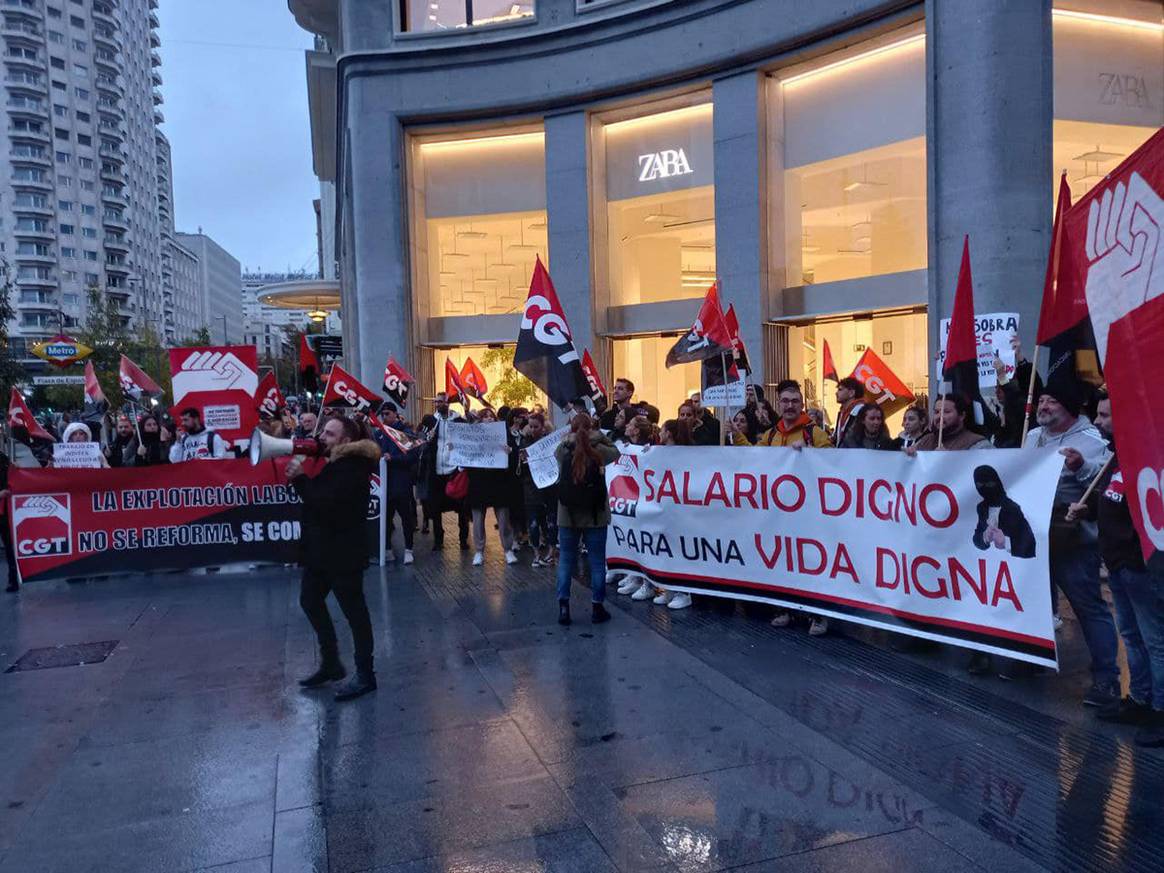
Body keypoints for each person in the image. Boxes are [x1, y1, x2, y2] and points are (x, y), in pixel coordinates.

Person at [1067, 393, 1164, 745]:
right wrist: (1087, 508)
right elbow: (1110, 499)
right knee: (1133, 636)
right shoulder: (1116, 459)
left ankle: (1160, 711)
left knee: (1156, 640)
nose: (1097, 421)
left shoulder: (1145, 460)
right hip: (1119, 564)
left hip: (1141, 568)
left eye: (1105, 415)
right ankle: (1140, 699)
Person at [1025, 385, 1118, 707]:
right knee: (1034, 602)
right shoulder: (1031, 435)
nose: (1044, 405)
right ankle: (1032, 657)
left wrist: (1081, 466)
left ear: (1070, 408)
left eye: (1052, 400)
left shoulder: (1091, 441)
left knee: (1088, 606)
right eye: (1041, 400)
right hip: (1035, 534)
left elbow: (1106, 481)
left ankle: (1107, 677)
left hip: (1073, 537)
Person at [288, 415, 382, 701]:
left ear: (345, 441)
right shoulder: (337, 463)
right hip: (323, 552)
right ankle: (331, 662)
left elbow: (325, 504)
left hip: (343, 553)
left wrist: (301, 480)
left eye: (329, 434)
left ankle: (366, 674)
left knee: (355, 613)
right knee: (310, 600)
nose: (321, 437)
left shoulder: (352, 468)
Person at [555, 413, 620, 626]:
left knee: (565, 560)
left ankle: (564, 607)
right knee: (597, 562)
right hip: (596, 514)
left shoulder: (563, 449)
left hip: (567, 514)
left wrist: (569, 437)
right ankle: (597, 607)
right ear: (592, 427)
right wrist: (599, 435)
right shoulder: (600, 449)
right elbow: (616, 452)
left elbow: (558, 453)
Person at [464, 407, 517, 567]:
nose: (488, 419)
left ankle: (508, 550)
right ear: (480, 420)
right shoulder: (474, 434)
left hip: (499, 481)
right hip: (479, 482)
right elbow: (465, 453)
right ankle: (479, 551)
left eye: (491, 416)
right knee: (478, 519)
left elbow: (514, 453)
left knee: (503, 518)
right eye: (485, 416)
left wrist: (510, 451)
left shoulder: (503, 433)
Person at [420, 391, 470, 550]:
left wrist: (467, 411)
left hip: (454, 470)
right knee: (435, 508)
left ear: (448, 403)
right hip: (436, 470)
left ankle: (463, 539)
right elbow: (422, 438)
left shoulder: (459, 421)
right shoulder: (430, 421)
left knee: (461, 507)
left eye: (442, 401)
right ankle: (438, 540)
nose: (439, 404)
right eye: (437, 402)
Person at [374, 401, 422, 565]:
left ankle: (409, 548)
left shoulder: (404, 432)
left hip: (401, 482)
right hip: (385, 484)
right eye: (383, 414)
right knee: (385, 519)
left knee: (406, 518)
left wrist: (392, 459)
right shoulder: (379, 434)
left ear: (395, 414)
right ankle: (387, 549)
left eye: (387, 413)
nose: (384, 417)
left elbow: (411, 456)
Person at [517, 413, 558, 568]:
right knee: (533, 524)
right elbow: (522, 466)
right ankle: (536, 554)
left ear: (543, 427)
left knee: (551, 523)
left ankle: (551, 553)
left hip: (549, 488)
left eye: (536, 426)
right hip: (531, 489)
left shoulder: (550, 441)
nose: (533, 429)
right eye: (531, 426)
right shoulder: (525, 442)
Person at [971, 465, 1036, 558]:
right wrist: (985, 537)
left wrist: (1006, 542)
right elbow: (977, 538)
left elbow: (1030, 546)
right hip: (989, 564)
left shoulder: (1012, 509)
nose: (984, 488)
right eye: (979, 485)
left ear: (997, 482)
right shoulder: (982, 508)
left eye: (989, 484)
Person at [758, 380, 832, 449]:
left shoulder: (815, 433)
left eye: (795, 401)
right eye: (785, 401)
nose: (790, 405)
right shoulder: (770, 435)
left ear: (802, 406)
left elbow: (830, 459)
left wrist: (810, 452)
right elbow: (753, 456)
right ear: (779, 404)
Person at [910, 395, 991, 452]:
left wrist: (949, 458)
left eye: (946, 412)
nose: (940, 416)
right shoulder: (925, 441)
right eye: (937, 412)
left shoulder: (977, 444)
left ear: (962, 416)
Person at [833, 377, 866, 447]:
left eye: (840, 390)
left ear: (851, 393)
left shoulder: (861, 411)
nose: (836, 393)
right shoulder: (842, 413)